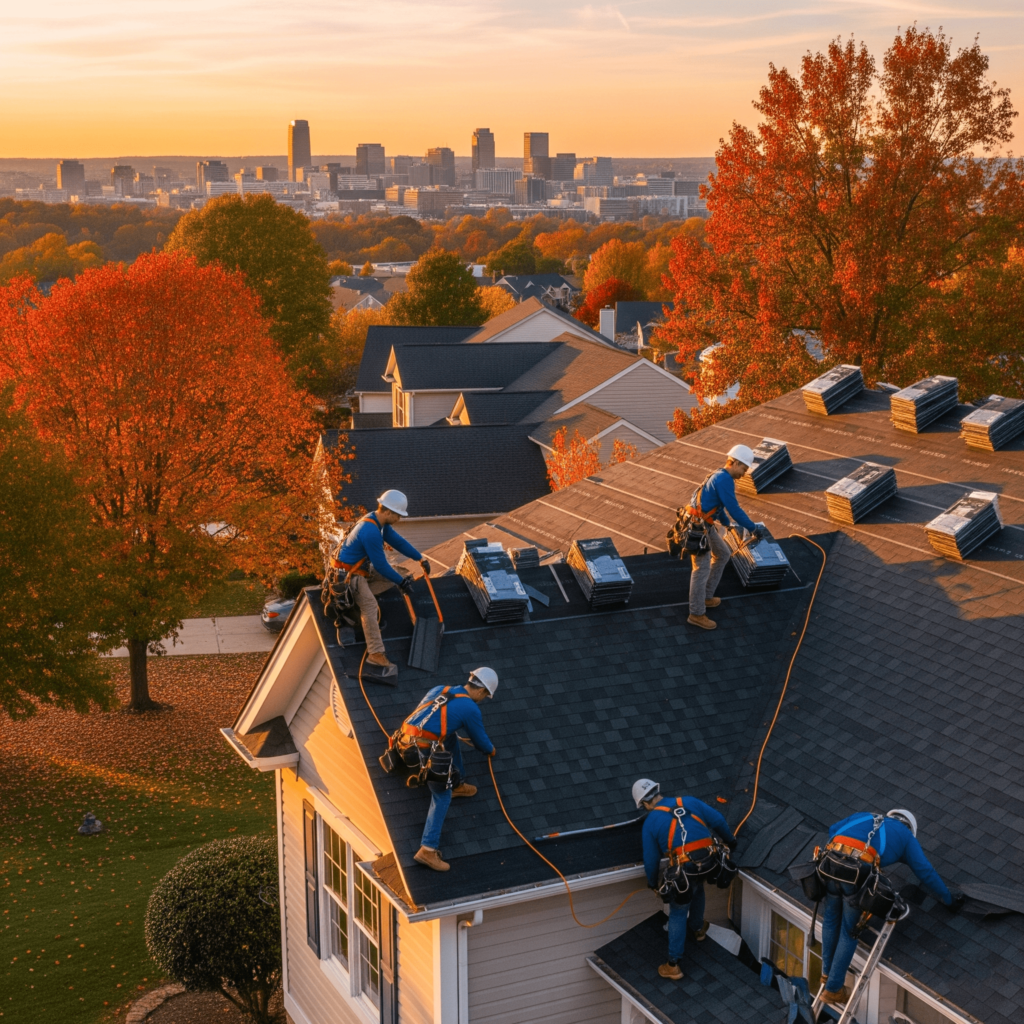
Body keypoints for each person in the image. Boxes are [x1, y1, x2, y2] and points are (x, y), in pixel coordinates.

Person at [818, 809, 960, 1006]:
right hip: (854, 873)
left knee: (831, 918)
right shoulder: (906, 837)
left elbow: (833, 829)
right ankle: (833, 989)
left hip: (830, 864)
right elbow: (925, 872)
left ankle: (826, 975)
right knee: (850, 930)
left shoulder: (866, 816)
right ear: (910, 827)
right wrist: (948, 898)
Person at [634, 779, 738, 980]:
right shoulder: (690, 801)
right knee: (697, 888)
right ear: (658, 791)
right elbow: (717, 820)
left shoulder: (650, 822)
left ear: (645, 804)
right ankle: (698, 929)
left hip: (686, 867)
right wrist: (731, 841)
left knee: (679, 910)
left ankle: (673, 964)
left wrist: (652, 882)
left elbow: (651, 858)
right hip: (710, 861)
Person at [401, 668, 499, 873]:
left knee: (451, 735)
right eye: (485, 697)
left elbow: (423, 716)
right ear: (482, 692)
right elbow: (480, 742)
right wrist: (491, 750)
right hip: (422, 752)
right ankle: (427, 849)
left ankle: (459, 783)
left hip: (404, 743)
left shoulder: (440, 689)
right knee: (442, 795)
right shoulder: (470, 709)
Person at [333, 489, 429, 672]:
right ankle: (375, 654)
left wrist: (420, 558)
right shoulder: (370, 531)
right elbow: (381, 566)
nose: (399, 519)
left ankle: (358, 598)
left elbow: (398, 542)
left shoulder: (379, 522)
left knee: (401, 573)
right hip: (349, 576)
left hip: (361, 568)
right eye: (398, 516)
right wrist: (402, 583)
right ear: (388, 512)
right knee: (370, 606)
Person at [685, 445, 762, 630]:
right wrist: (753, 528)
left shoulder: (720, 476)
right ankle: (696, 613)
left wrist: (728, 526)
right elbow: (734, 509)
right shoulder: (724, 480)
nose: (744, 474)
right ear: (734, 462)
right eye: (743, 469)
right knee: (700, 570)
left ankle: (706, 596)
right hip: (698, 526)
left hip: (705, 523)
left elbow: (718, 507)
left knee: (723, 554)